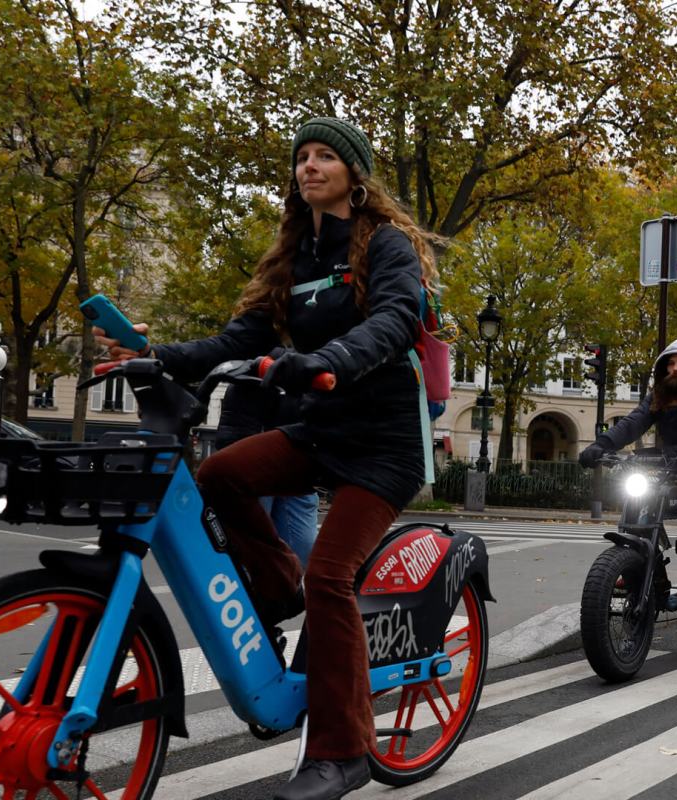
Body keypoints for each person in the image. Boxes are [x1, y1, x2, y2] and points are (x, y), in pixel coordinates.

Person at [96, 117, 437, 800]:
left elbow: (396, 318)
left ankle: (342, 752)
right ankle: (279, 588)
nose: (309, 166)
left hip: (384, 444)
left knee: (334, 576)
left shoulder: (387, 246)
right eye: (301, 158)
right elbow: (237, 337)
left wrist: (327, 361)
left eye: (323, 157)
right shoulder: (294, 258)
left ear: (353, 175)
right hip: (321, 429)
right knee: (222, 473)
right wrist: (155, 358)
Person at [579, 338, 677, 620]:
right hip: (667, 472)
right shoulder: (658, 397)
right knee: (636, 504)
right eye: (670, 364)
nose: (675, 369)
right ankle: (642, 572)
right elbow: (631, 424)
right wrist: (600, 446)